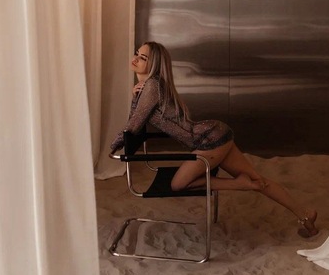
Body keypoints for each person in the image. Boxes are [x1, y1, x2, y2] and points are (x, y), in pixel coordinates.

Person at [110, 41, 318, 238]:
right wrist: (134, 97)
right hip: (214, 134)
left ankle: (240, 184)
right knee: (258, 180)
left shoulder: (152, 86)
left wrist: (114, 146)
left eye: (143, 57)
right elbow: (135, 123)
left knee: (178, 184)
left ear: (154, 64)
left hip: (208, 140)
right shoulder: (149, 87)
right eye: (137, 53)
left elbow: (133, 125)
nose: (135, 58)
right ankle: (305, 214)